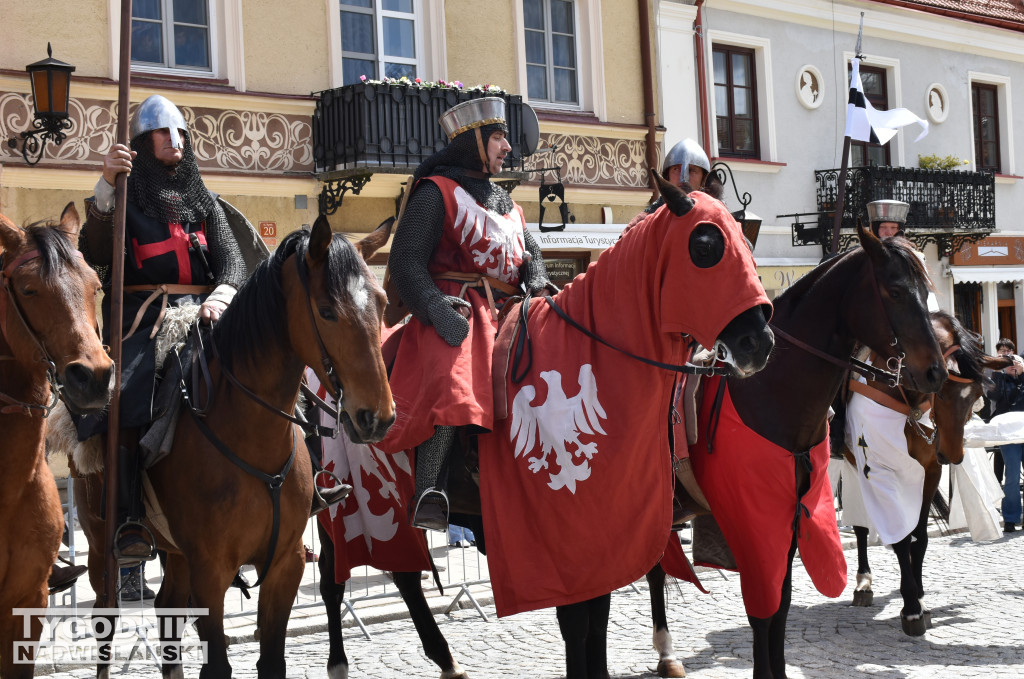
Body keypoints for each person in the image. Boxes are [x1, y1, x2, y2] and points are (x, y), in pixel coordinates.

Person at [76, 95, 346, 561]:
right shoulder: (121, 199)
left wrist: (221, 299)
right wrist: (105, 185)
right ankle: (130, 517)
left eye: (180, 133)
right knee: (129, 393)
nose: (174, 140)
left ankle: (310, 484)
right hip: (149, 317)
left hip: (211, 313)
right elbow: (96, 253)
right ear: (142, 143)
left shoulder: (206, 203)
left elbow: (233, 262)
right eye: (163, 132)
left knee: (283, 373)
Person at [382, 96, 555, 531]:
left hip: (514, 308)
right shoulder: (435, 192)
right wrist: (437, 310)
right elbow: (405, 262)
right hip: (457, 309)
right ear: (474, 141)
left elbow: (530, 254)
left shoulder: (507, 203)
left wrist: (536, 276)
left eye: (505, 138)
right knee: (454, 374)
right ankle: (430, 488)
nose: (507, 148)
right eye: (498, 137)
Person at [985, 338, 1024, 532]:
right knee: (1012, 477)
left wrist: (1022, 375)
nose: (1012, 366)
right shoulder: (999, 379)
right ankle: (1010, 518)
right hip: (1009, 435)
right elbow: (993, 397)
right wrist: (1001, 374)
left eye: (1014, 362)